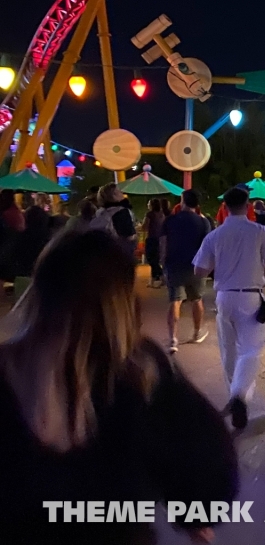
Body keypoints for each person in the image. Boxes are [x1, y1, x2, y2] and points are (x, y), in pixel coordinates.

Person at [0, 229, 238, 543]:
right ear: (121, 303)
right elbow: (210, 469)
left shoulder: (6, 370)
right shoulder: (142, 373)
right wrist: (193, 515)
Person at [193, 187, 265, 430]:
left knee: (229, 351)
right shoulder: (259, 231)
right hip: (250, 297)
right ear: (247, 205)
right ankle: (239, 396)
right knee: (251, 350)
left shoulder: (214, 236)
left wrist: (222, 262)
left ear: (224, 206)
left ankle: (237, 399)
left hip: (224, 297)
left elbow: (199, 271)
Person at [161, 189, 211, 354]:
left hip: (174, 264)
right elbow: (207, 246)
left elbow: (163, 243)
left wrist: (163, 262)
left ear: (183, 201)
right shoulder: (203, 222)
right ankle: (196, 333)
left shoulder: (171, 220)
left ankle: (172, 339)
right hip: (196, 266)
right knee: (197, 299)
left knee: (175, 300)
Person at [92, 183, 137, 255]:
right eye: (119, 191)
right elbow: (128, 235)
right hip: (120, 251)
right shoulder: (121, 212)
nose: (122, 193)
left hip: (104, 250)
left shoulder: (100, 212)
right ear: (114, 195)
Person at [143, 198, 166, 287]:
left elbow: (145, 226)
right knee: (155, 259)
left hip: (151, 238)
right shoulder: (162, 214)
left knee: (151, 259)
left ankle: (161, 275)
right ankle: (153, 280)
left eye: (149, 203)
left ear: (152, 205)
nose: (147, 205)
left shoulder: (149, 214)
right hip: (159, 239)